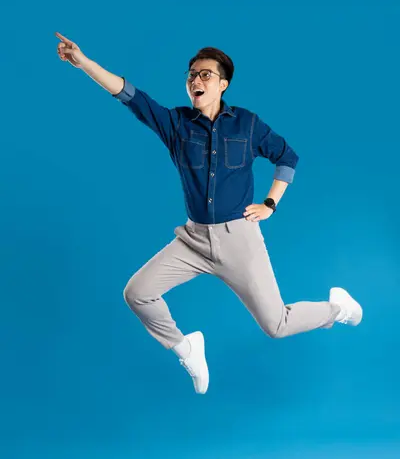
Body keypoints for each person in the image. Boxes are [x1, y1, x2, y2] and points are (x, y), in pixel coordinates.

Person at [55, 32, 363, 395]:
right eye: (191, 74)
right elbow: (128, 95)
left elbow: (287, 157)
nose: (195, 80)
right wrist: (84, 62)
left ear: (223, 84)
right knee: (137, 293)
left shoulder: (246, 124)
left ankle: (336, 309)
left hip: (238, 240)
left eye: (205, 74)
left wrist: (270, 203)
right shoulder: (175, 125)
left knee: (276, 325)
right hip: (194, 240)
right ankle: (186, 348)